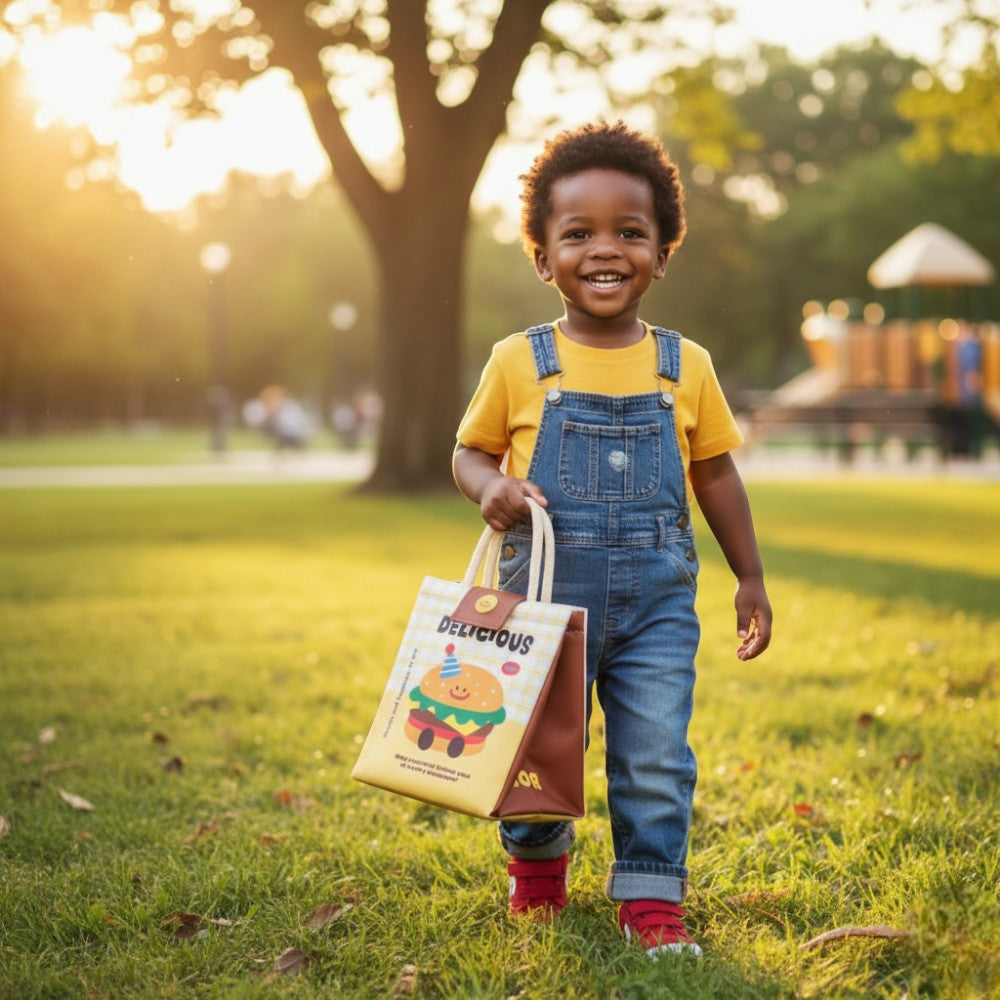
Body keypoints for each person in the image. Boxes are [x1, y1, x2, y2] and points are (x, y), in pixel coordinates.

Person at [452, 121, 772, 958]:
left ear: (663, 253)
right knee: (532, 751)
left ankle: (652, 899)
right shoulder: (521, 361)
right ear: (542, 254)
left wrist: (750, 577)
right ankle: (537, 871)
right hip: (542, 603)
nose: (607, 249)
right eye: (579, 233)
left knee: (657, 754)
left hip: (658, 604)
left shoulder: (684, 366)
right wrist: (491, 486)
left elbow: (715, 476)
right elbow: (470, 449)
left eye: (631, 233)